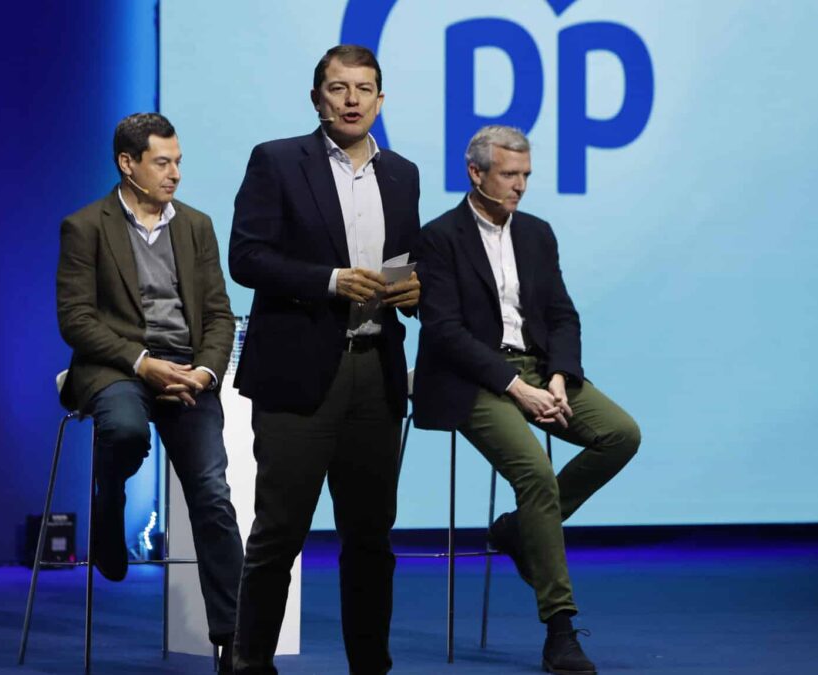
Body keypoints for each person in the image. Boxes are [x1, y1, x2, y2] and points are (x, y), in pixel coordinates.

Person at [412, 125, 641, 675]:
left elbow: (561, 314)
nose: (519, 187)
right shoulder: (439, 237)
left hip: (539, 369)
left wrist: (559, 376)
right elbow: (444, 331)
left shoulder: (537, 233)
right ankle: (559, 628)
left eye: (526, 176)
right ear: (476, 173)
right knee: (536, 473)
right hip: (471, 378)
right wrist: (516, 389)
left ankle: (520, 530)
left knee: (621, 434)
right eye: (509, 176)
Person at [227, 45, 421, 675]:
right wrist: (329, 281)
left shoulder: (403, 174)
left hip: (376, 370)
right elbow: (247, 258)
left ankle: (371, 664)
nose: (352, 100)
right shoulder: (278, 161)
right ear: (318, 99)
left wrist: (417, 291)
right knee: (279, 533)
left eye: (364, 88)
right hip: (297, 372)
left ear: (381, 100)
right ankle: (250, 662)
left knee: (370, 537)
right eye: (339, 88)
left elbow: (407, 261)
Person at [56, 112, 243, 672]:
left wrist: (204, 373)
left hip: (188, 375)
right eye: (163, 162)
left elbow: (219, 314)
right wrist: (143, 362)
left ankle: (235, 643)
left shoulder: (196, 225)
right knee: (126, 429)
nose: (175, 174)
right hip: (118, 366)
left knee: (211, 495)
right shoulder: (85, 226)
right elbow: (76, 320)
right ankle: (109, 499)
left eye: (178, 161)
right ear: (128, 164)